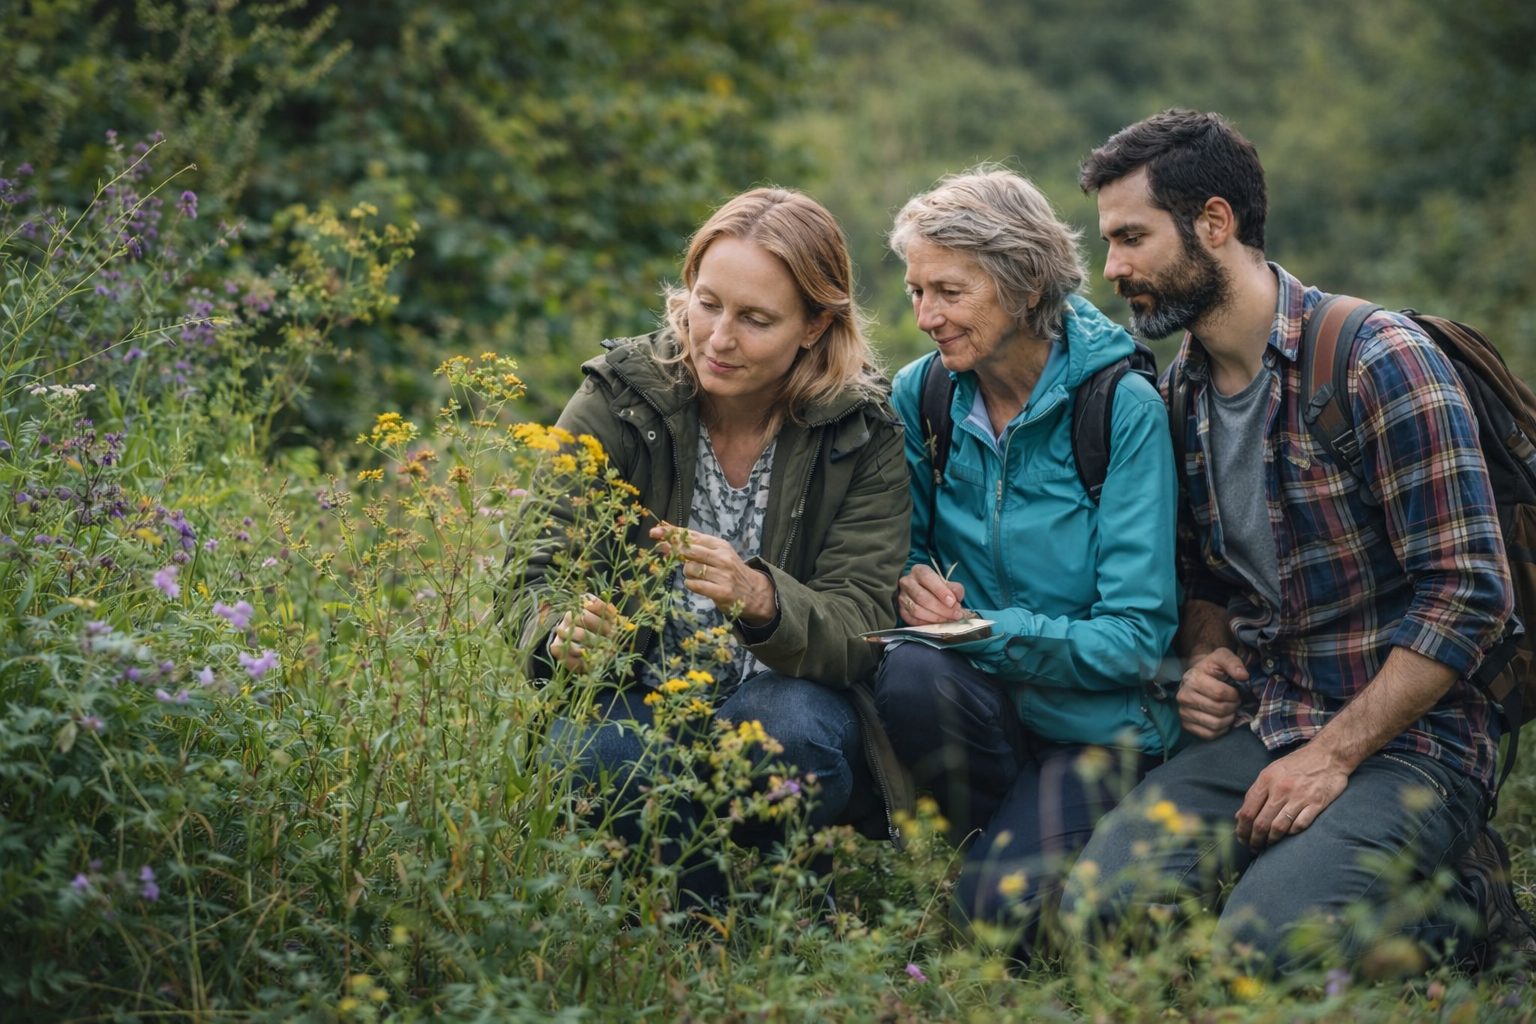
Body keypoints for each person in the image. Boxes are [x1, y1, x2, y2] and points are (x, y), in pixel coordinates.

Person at [1062, 109, 1536, 975]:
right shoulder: (1181, 398)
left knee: (1264, 952)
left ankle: (1466, 903)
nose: (1114, 269)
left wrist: (1333, 757)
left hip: (1416, 741)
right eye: (1109, 242)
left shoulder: (1375, 357)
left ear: (1215, 222)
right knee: (1099, 912)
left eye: (1131, 238)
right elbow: (1205, 578)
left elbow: (1469, 591)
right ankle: (1300, 885)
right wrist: (1205, 655)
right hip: (1272, 721)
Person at [507, 187, 913, 908]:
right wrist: (557, 631)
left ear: (816, 325)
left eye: (756, 319)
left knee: (791, 737)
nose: (719, 338)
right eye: (707, 303)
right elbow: (536, 572)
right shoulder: (620, 401)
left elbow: (863, 627)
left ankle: (755, 894)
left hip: (785, 699)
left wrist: (763, 599)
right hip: (632, 691)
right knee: (608, 755)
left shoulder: (860, 431)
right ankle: (708, 924)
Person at [873, 167, 1181, 958]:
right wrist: (914, 581)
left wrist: (983, 627)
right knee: (907, 674)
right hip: (981, 708)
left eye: (948, 291)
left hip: (1096, 732)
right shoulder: (924, 396)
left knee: (992, 923)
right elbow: (899, 546)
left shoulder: (1118, 408)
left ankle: (1034, 863)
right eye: (915, 292)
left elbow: (1135, 639)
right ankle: (998, 840)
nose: (925, 317)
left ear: (1024, 280)